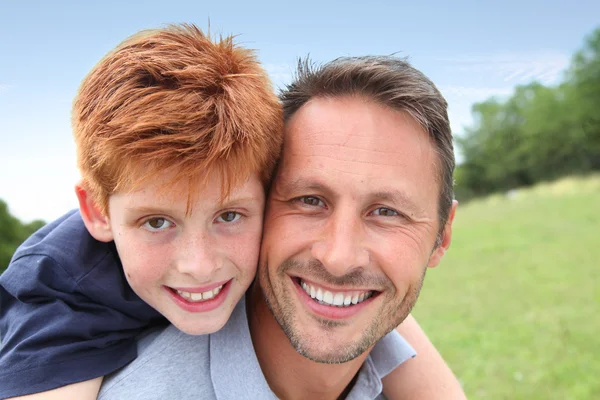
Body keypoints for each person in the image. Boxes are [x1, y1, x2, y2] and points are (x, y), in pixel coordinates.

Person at [0, 25, 464, 399]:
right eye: (310, 200)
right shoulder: (58, 289)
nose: (198, 265)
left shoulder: (367, 329)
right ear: (97, 213)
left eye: (228, 216)